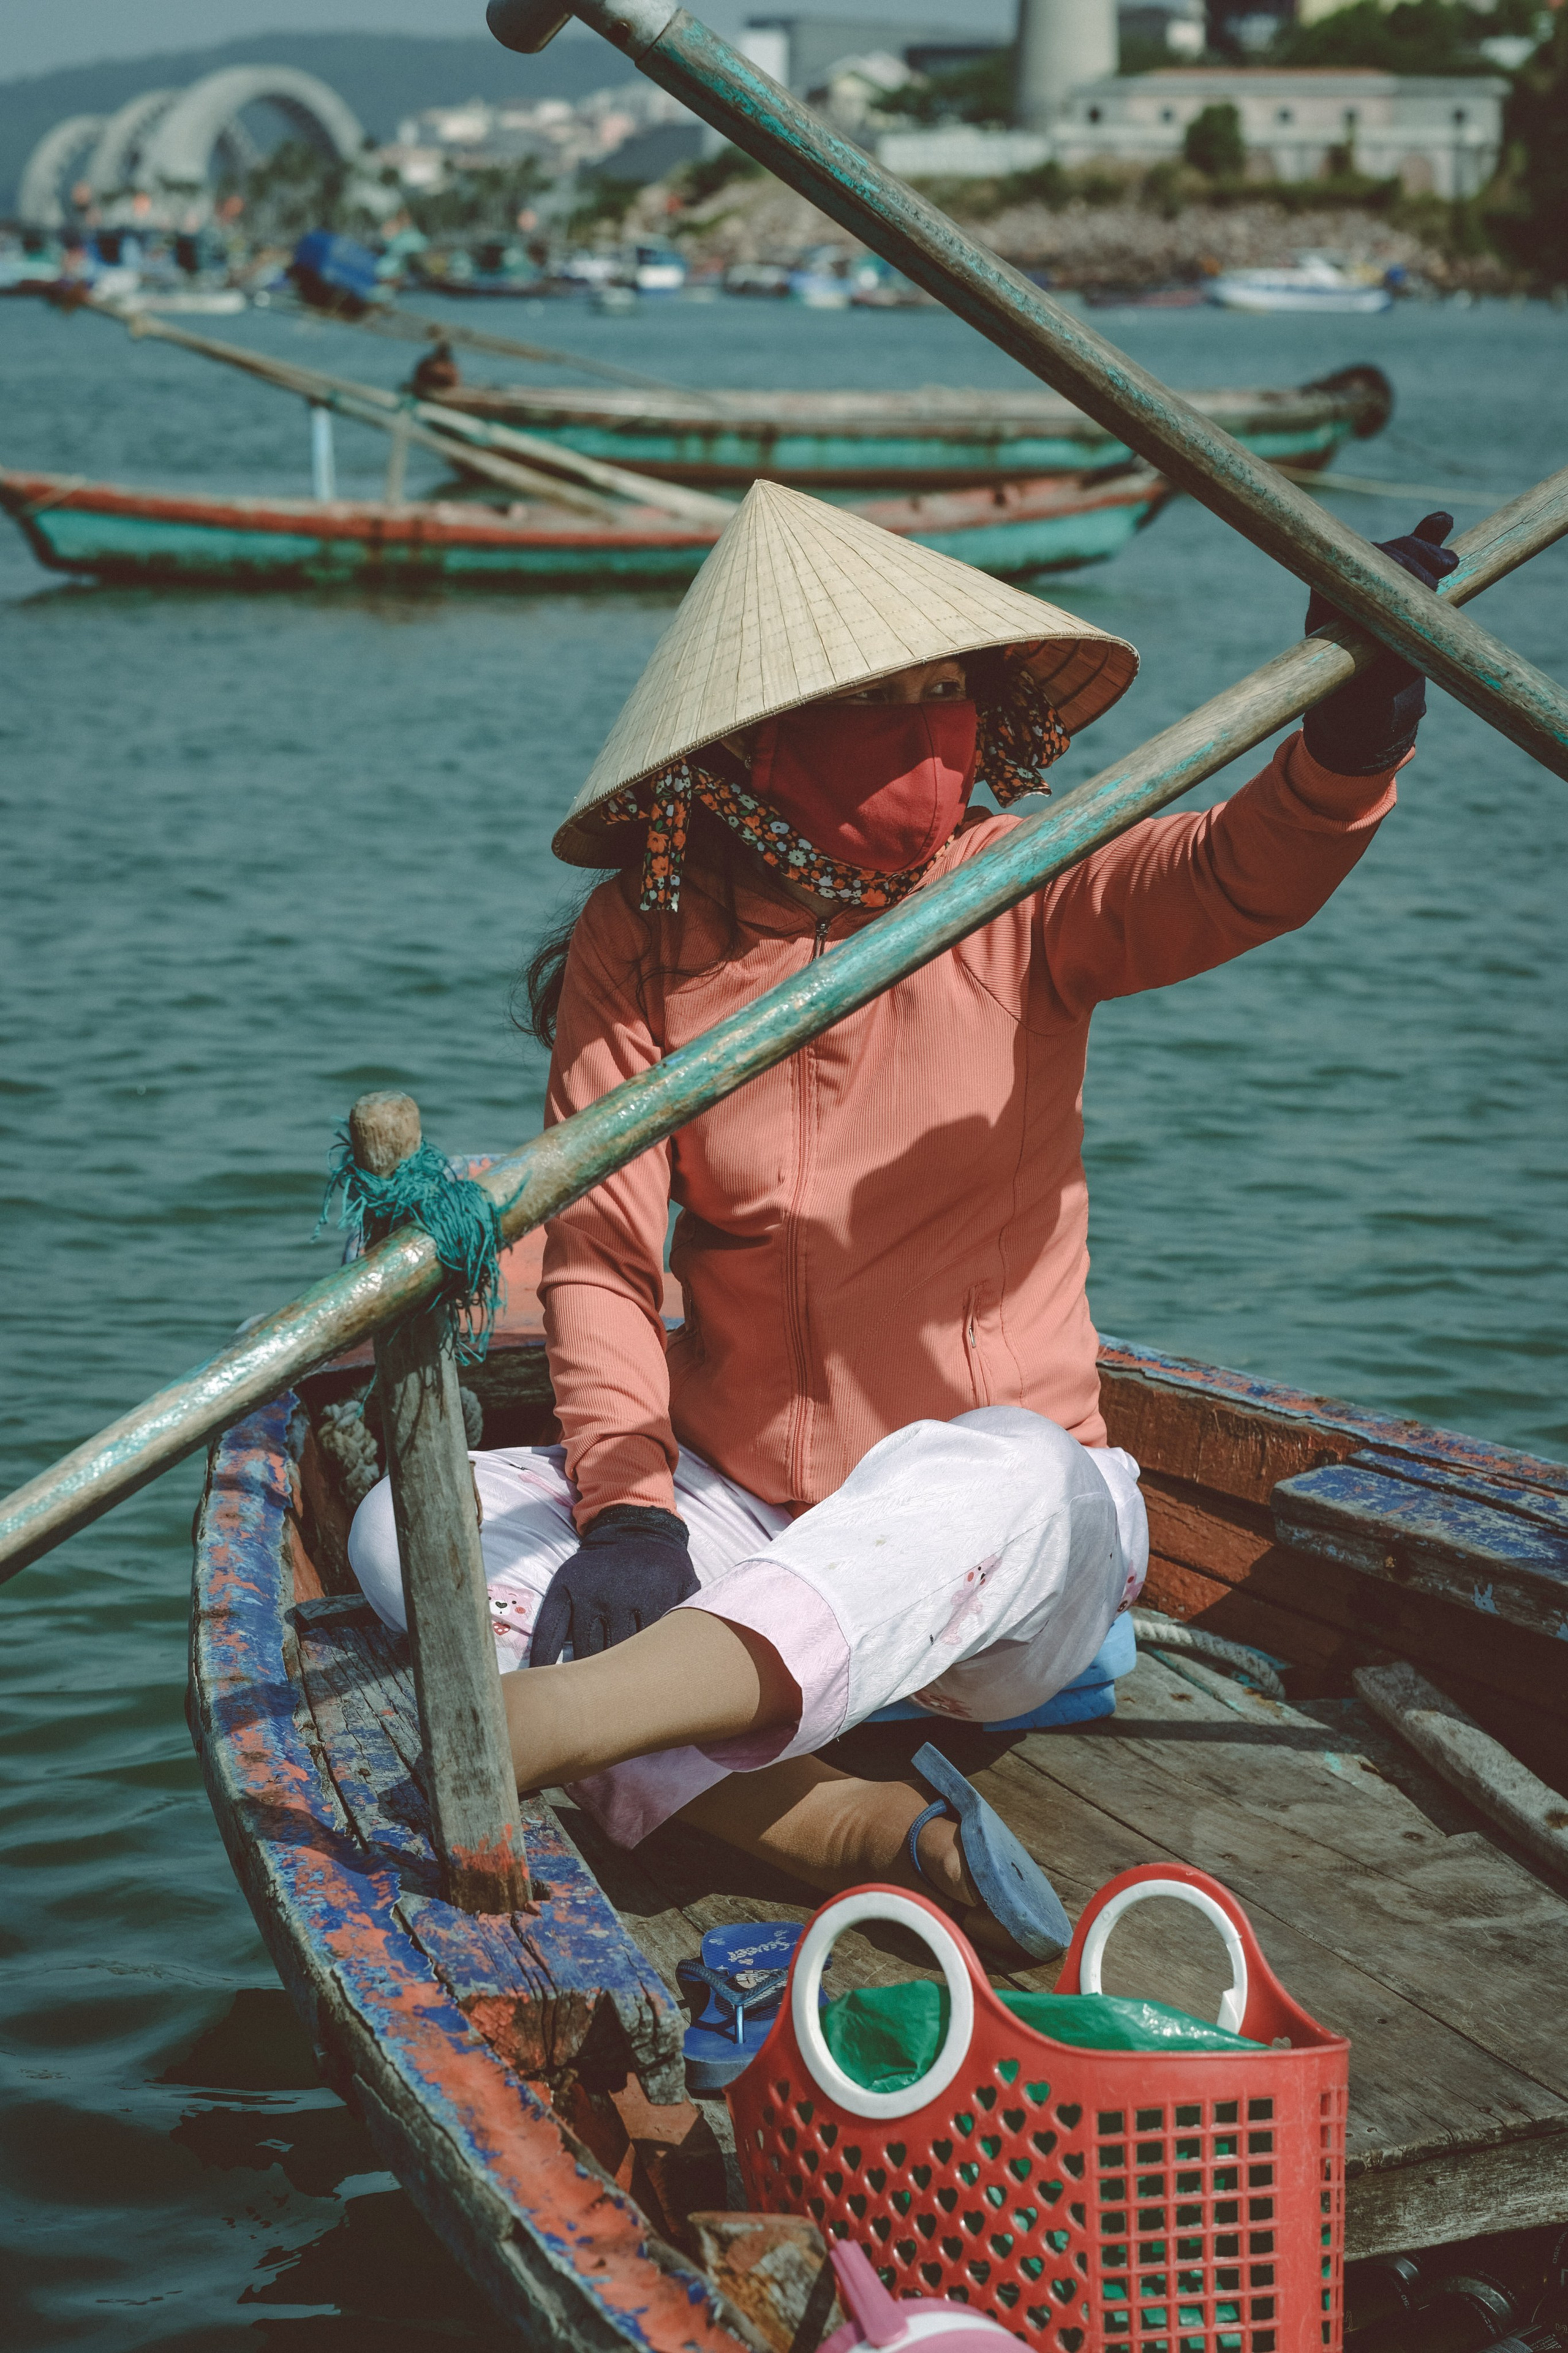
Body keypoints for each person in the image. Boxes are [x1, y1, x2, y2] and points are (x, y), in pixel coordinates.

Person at [349, 480, 1457, 1960]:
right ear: (759, 737)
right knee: (398, 1526)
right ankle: (856, 1829)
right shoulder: (652, 936)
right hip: (737, 1510)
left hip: (999, 1573)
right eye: (885, 698)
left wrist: (1350, 730)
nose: (934, 735)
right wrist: (625, 1510)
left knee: (1002, 1468)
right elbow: (603, 1256)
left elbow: (1227, 873)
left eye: (950, 695)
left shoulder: (1015, 881)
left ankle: (533, 1725)